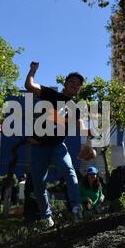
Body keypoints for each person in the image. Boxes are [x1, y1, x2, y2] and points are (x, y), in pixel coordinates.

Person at [25, 61, 90, 227]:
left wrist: (89, 134)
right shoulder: (51, 94)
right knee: (39, 184)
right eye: (72, 82)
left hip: (57, 147)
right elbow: (29, 85)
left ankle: (76, 208)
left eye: (78, 85)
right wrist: (32, 70)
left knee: (70, 172)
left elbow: (81, 125)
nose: (75, 86)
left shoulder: (75, 108)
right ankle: (46, 217)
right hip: (38, 147)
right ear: (65, 84)